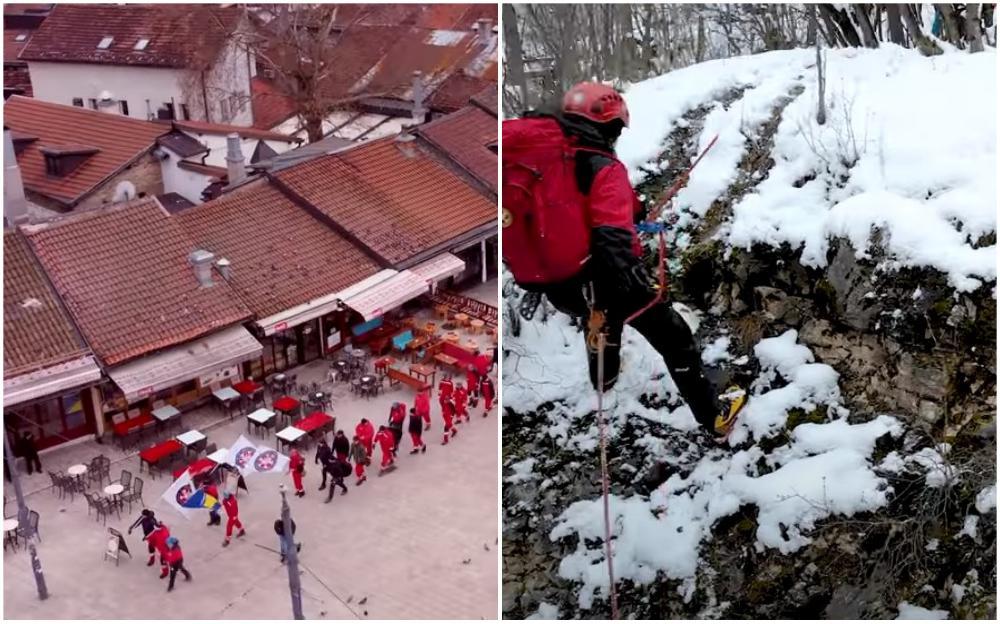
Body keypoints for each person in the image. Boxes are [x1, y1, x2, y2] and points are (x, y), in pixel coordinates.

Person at [503, 82, 745, 437]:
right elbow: (613, 238)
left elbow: (581, 206)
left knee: (601, 316)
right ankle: (714, 415)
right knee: (673, 334)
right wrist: (634, 276)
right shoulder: (603, 167)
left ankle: (604, 377)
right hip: (596, 280)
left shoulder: (549, 157)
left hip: (556, 286)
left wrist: (634, 211)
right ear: (610, 127)